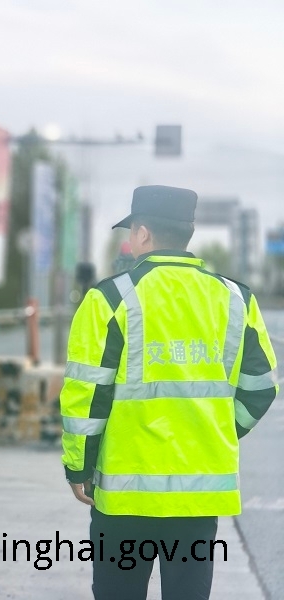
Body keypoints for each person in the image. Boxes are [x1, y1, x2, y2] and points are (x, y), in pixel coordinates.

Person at [60, 185, 278, 600]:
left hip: (124, 498)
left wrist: (79, 467)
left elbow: (85, 396)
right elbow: (261, 387)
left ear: (142, 233)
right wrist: (219, 428)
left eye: (131, 231)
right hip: (197, 498)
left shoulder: (109, 298)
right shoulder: (236, 298)